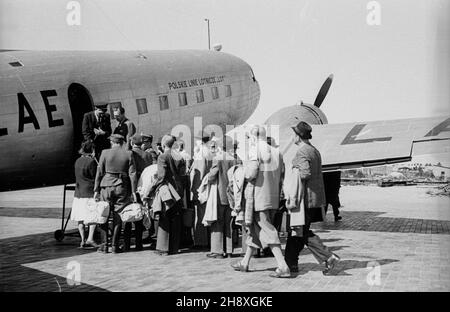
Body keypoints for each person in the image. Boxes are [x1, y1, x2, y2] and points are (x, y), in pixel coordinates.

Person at [231, 125, 291, 278]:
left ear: (253, 137)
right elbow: (282, 176)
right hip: (273, 197)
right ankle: (245, 263)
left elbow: (251, 174)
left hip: (257, 197)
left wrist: (239, 171)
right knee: (255, 231)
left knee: (267, 229)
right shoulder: (278, 152)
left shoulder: (254, 150)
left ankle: (282, 266)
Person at [284, 121, 340, 275]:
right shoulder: (314, 150)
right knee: (299, 233)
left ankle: (328, 257)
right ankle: (291, 265)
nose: (292, 137)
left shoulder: (302, 152)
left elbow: (305, 174)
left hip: (304, 200)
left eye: (294, 134)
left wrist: (294, 168)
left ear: (298, 136)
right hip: (314, 198)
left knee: (299, 232)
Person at [94, 134, 138, 253]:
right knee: (118, 216)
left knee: (104, 213)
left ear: (112, 142)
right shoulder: (128, 154)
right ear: (121, 142)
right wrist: (133, 191)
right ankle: (114, 245)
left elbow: (99, 172)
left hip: (106, 186)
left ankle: (104, 245)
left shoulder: (104, 153)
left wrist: (96, 190)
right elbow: (132, 175)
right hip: (121, 187)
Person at [149, 135, 183, 255]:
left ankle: (163, 248)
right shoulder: (179, 156)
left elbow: (161, 176)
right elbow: (183, 174)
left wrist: (151, 188)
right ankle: (174, 247)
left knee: (164, 218)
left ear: (163, 145)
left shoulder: (162, 157)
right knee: (175, 218)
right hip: (178, 191)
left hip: (167, 190)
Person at [206, 140, 238, 258]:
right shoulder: (235, 159)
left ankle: (217, 250)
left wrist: (207, 178)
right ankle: (229, 250)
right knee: (229, 223)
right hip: (231, 195)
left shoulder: (218, 158)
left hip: (219, 195)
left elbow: (212, 175)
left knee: (217, 222)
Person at [122, 134, 152, 251]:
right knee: (139, 214)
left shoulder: (129, 154)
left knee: (128, 215)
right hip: (143, 187)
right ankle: (139, 244)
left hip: (131, 187)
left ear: (131, 143)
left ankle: (127, 244)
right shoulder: (148, 155)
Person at [71, 141, 98, 248]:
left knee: (80, 217)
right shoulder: (91, 162)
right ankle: (90, 238)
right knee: (92, 216)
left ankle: (82, 240)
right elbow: (95, 177)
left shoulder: (77, 160)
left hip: (78, 192)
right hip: (89, 192)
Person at [190, 134, 213, 249]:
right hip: (208, 188)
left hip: (201, 189)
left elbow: (199, 174)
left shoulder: (201, 154)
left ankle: (201, 242)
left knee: (200, 215)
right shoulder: (209, 152)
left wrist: (195, 191)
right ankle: (207, 240)